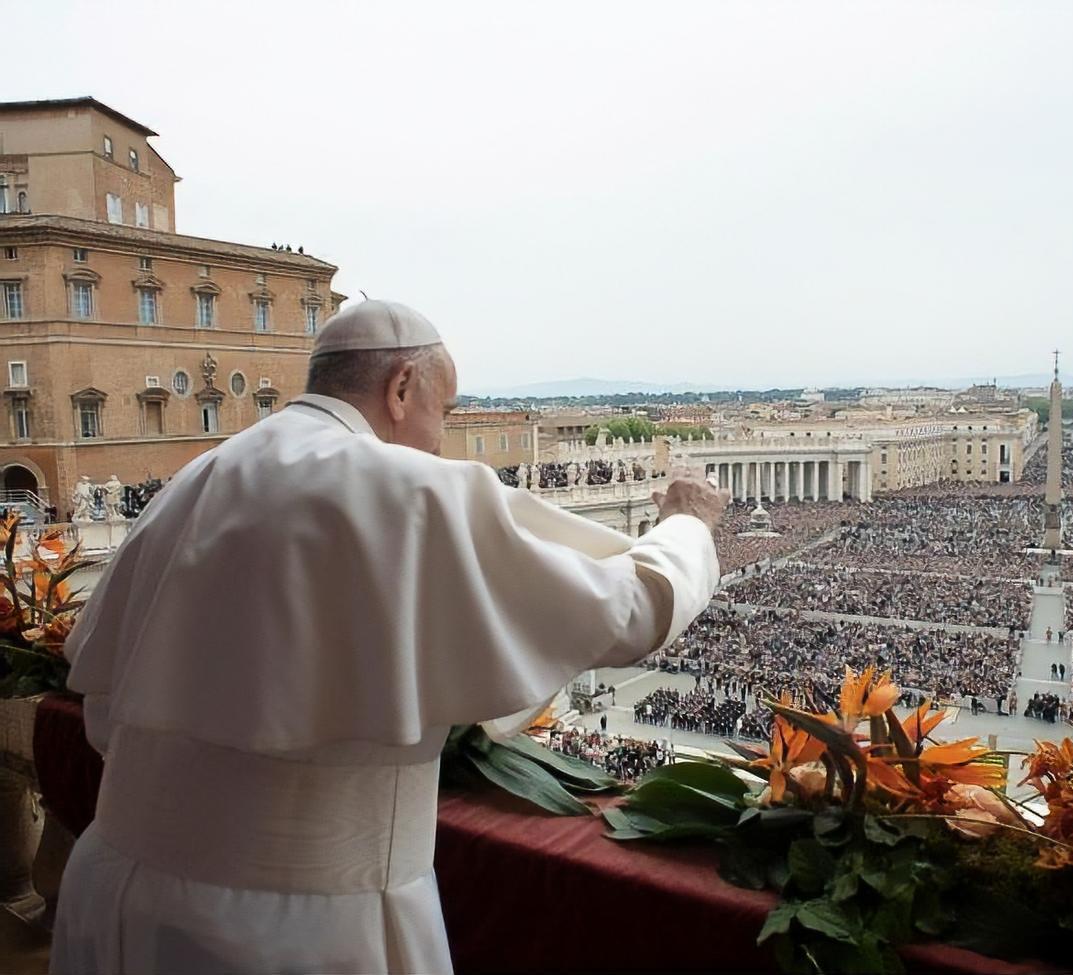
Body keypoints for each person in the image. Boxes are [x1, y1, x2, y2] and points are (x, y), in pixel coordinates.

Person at [51, 300, 727, 975]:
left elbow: (109, 712)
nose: (441, 436)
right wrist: (686, 526)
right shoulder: (406, 488)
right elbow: (627, 610)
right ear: (402, 388)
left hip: (112, 893)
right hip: (292, 927)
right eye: (448, 409)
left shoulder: (195, 478)